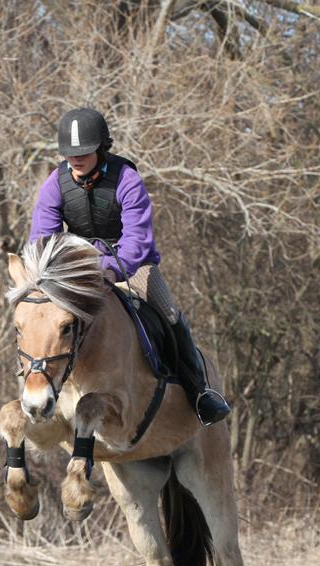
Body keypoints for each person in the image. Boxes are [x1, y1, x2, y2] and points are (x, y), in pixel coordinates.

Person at [29, 107, 231, 426]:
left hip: (132, 265)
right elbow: (42, 237)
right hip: (78, 269)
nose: (76, 159)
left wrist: (111, 268)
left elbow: (137, 237)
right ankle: (40, 386)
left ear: (101, 148)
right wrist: (55, 272)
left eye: (83, 152)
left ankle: (200, 393)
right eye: (70, 153)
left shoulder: (126, 178)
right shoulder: (56, 182)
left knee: (169, 314)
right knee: (40, 315)